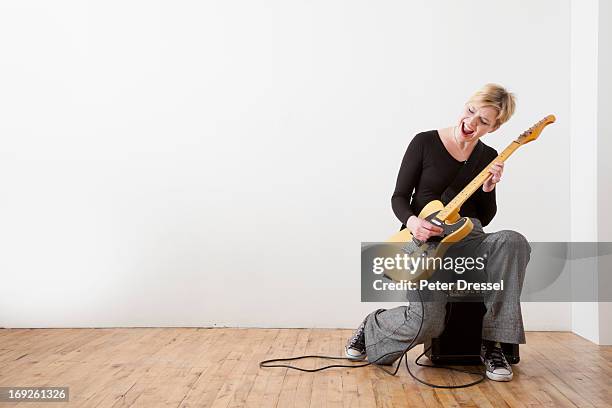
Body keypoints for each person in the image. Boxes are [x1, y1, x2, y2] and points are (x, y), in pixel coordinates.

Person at [346, 84, 531, 382]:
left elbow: (484, 216)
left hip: (469, 241)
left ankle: (493, 343)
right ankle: (373, 324)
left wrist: (489, 188)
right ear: (466, 105)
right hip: (426, 243)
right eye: (471, 111)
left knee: (512, 240)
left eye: (483, 121)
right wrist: (412, 222)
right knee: (427, 325)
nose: (471, 123)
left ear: (494, 128)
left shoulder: (490, 155)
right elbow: (398, 197)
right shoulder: (424, 142)